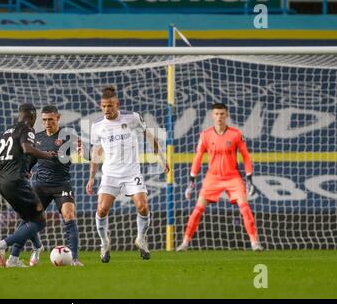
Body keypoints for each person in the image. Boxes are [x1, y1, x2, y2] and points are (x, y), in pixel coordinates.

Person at [86, 86, 169, 263]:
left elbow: (150, 136)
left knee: (143, 206)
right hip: (110, 174)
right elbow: (95, 153)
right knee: (101, 210)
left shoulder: (132, 118)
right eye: (103, 106)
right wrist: (92, 177)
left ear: (117, 104)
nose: (106, 110)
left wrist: (162, 158)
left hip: (132, 173)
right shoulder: (98, 127)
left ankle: (141, 238)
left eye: (110, 106)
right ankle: (104, 242)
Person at [176, 103, 263, 252]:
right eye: (216, 114)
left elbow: (246, 157)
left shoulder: (236, 134)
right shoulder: (205, 135)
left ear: (226, 115)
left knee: (245, 208)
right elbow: (197, 157)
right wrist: (191, 180)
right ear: (212, 115)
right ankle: (185, 243)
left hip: (232, 177)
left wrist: (249, 179)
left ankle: (255, 243)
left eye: (222, 114)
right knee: (197, 210)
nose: (219, 117)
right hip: (213, 177)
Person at [0, 103, 56, 268]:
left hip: (2, 182)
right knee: (39, 220)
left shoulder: (7, 132)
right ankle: (2, 245)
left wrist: (23, 168)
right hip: (15, 181)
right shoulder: (28, 130)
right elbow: (27, 149)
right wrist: (48, 155)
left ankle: (15, 259)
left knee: (29, 218)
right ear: (32, 117)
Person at [24, 105, 85, 266]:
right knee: (29, 220)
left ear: (58, 118)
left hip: (62, 184)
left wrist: (82, 149)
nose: (47, 123)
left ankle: (74, 259)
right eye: (44, 120)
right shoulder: (36, 138)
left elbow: (86, 153)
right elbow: (31, 161)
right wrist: (26, 170)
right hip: (41, 185)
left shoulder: (67, 137)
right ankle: (36, 249)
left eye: (50, 119)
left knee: (69, 216)